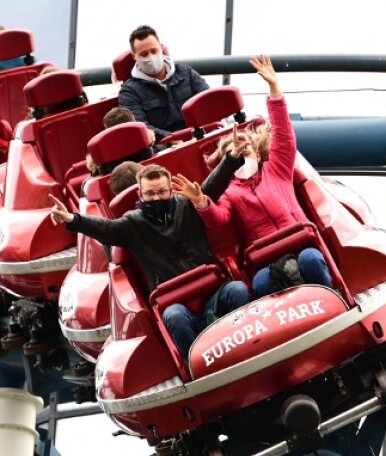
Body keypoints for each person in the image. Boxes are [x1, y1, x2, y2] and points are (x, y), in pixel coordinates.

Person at [47, 165, 247, 354]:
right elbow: (105, 230)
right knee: (175, 316)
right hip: (177, 304)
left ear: (171, 190)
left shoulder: (186, 205)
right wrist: (72, 220)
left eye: (162, 192)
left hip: (212, 292)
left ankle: (245, 344)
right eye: (150, 194)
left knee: (237, 289)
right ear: (141, 195)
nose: (157, 198)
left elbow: (214, 185)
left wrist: (232, 157)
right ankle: (197, 364)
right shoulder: (133, 223)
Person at [190, 56, 333, 299]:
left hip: (300, 244)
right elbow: (218, 218)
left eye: (244, 151)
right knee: (261, 282)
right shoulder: (230, 191)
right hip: (267, 257)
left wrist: (274, 90)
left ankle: (332, 296)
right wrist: (201, 202)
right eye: (234, 157)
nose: (241, 158)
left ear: (256, 153)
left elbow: (284, 135)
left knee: (310, 260)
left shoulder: (275, 169)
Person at [117, 25, 209, 143]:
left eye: (154, 51)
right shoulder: (129, 92)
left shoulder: (186, 73)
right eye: (144, 54)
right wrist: (171, 138)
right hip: (165, 148)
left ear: (161, 48)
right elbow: (140, 127)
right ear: (134, 56)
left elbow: (208, 101)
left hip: (202, 134)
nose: (151, 58)